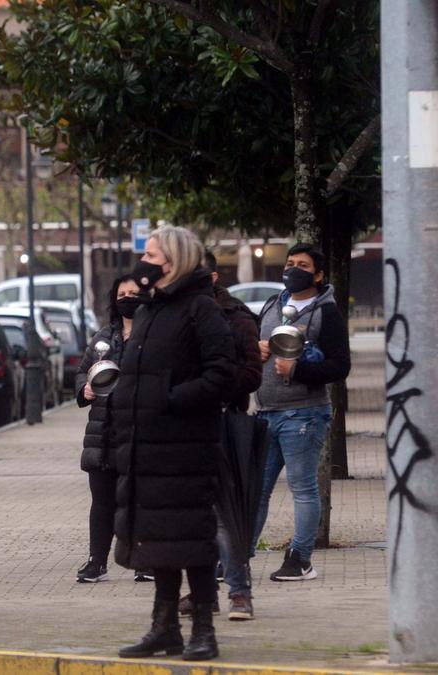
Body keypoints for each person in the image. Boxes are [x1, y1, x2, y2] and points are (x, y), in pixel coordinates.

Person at [111, 226, 235, 661]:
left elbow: (223, 374)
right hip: (147, 448)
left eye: (150, 254)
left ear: (173, 261)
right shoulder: (149, 310)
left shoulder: (200, 308)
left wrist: (171, 399)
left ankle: (203, 629)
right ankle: (164, 629)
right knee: (158, 542)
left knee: (194, 541)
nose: (142, 262)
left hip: (185, 447)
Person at [251, 243, 350, 582]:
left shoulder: (326, 313)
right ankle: (238, 558)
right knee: (256, 489)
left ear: (318, 275)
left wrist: (298, 371)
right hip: (265, 412)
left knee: (303, 487)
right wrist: (257, 349)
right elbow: (253, 343)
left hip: (304, 415)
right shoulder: (272, 305)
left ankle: (301, 559)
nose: (292, 269)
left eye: (302, 265)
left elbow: (340, 366)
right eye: (290, 263)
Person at [184, 250, 263, 620]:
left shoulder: (236, 317)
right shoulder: (177, 314)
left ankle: (239, 592)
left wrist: (210, 387)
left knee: (226, 514)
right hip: (182, 426)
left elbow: (251, 373)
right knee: (192, 517)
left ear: (212, 277)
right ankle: (203, 592)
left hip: (223, 422)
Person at [74, 274, 142, 584]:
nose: (128, 297)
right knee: (101, 500)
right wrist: (84, 390)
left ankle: (145, 560)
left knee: (139, 499)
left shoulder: (153, 333)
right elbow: (82, 372)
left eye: (134, 293)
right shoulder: (104, 336)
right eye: (122, 293)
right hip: (103, 432)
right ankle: (96, 560)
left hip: (140, 431)